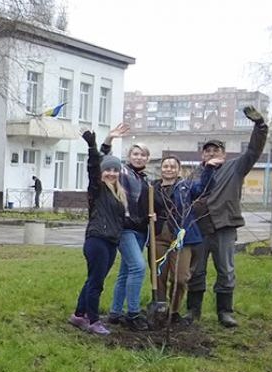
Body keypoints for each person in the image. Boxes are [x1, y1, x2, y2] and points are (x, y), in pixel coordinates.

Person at [186, 106, 268, 327]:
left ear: (223, 154)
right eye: (207, 151)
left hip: (224, 226)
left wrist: (260, 126)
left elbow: (253, 151)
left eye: (216, 150)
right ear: (202, 154)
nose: (211, 154)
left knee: (226, 270)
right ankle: (193, 311)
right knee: (196, 270)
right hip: (199, 228)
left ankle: (225, 312)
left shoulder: (235, 168)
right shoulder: (196, 173)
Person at [69, 130, 128, 336]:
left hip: (111, 242)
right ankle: (93, 321)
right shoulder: (98, 189)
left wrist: (108, 142)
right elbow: (95, 166)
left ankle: (78, 314)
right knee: (96, 283)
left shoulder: (118, 194)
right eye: (107, 170)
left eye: (115, 169)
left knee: (93, 278)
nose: (111, 173)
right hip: (97, 241)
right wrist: (93, 147)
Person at [104, 141, 151, 331]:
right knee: (139, 268)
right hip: (125, 229)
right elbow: (106, 159)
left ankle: (115, 312)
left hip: (141, 230)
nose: (139, 157)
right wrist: (108, 141)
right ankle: (133, 314)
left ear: (147, 158)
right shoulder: (123, 173)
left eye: (143, 155)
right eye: (135, 154)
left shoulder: (145, 180)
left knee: (126, 271)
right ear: (129, 156)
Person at [151, 156, 205, 323]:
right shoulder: (153, 188)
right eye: (165, 166)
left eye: (173, 166)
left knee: (180, 278)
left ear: (178, 170)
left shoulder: (187, 187)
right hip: (159, 236)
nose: (169, 169)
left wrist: (208, 168)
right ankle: (160, 309)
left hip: (181, 238)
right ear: (161, 169)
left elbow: (204, 187)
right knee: (158, 276)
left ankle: (174, 311)